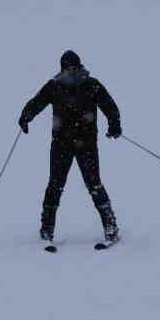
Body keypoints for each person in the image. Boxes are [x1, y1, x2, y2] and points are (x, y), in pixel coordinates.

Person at [19, 50, 121, 246]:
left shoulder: (91, 84)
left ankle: (111, 227)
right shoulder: (55, 86)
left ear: (79, 66)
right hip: (61, 145)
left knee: (93, 184)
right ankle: (47, 229)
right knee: (55, 185)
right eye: (68, 68)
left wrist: (114, 124)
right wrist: (25, 117)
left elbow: (110, 106)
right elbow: (37, 102)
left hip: (86, 144)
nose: (71, 71)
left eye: (73, 67)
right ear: (63, 68)